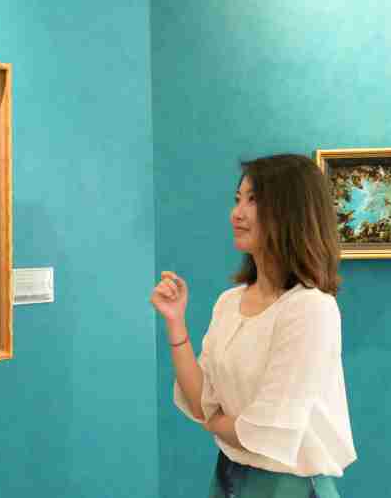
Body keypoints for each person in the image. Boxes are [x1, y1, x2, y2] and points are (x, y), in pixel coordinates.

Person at [151, 155, 357, 497]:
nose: (237, 213)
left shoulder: (311, 308)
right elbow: (201, 401)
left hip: (289, 487)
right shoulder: (229, 302)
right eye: (238, 199)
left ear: (291, 212)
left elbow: (266, 430)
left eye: (253, 200)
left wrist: (213, 422)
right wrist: (175, 323)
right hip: (229, 476)